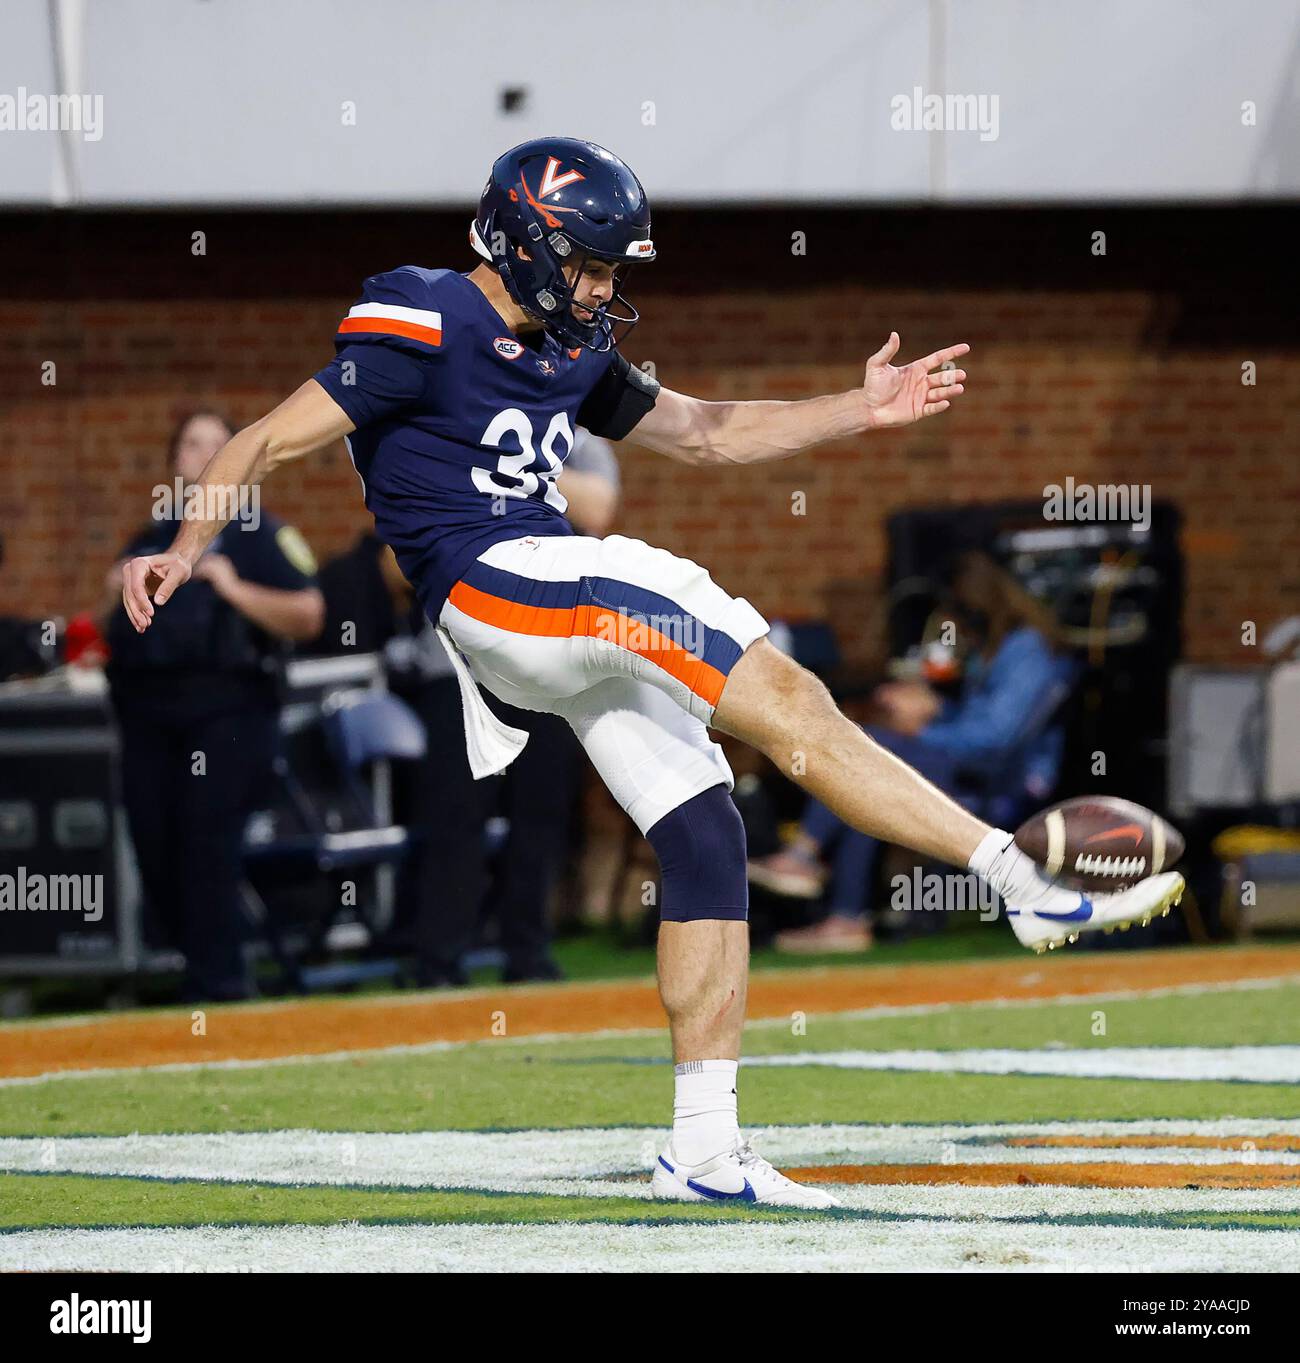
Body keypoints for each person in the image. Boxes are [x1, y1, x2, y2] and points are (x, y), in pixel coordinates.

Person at [120, 138, 1183, 1207]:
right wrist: (185, 545)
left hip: (540, 616)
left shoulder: (572, 347)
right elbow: (263, 441)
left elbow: (707, 434)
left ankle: (704, 1148)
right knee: (787, 698)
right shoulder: (425, 316)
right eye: (587, 261)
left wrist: (861, 408)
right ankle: (1014, 877)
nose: (602, 286)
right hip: (503, 580)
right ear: (524, 240)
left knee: (702, 831)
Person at [105, 410, 324, 1001]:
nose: (201, 456)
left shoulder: (261, 535)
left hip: (229, 716)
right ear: (173, 461)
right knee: (154, 843)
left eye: (217, 446)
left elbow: (309, 614)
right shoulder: (152, 540)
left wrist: (230, 586)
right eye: (190, 445)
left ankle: (222, 982)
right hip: (150, 716)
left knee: (208, 844)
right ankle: (194, 969)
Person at [752, 551, 1071, 952]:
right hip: (971, 760)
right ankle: (845, 916)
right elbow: (979, 720)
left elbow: (996, 739)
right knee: (866, 780)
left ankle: (807, 858)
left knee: (869, 753)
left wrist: (925, 729)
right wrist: (933, 707)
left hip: (1005, 778)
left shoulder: (1027, 650)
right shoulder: (1002, 647)